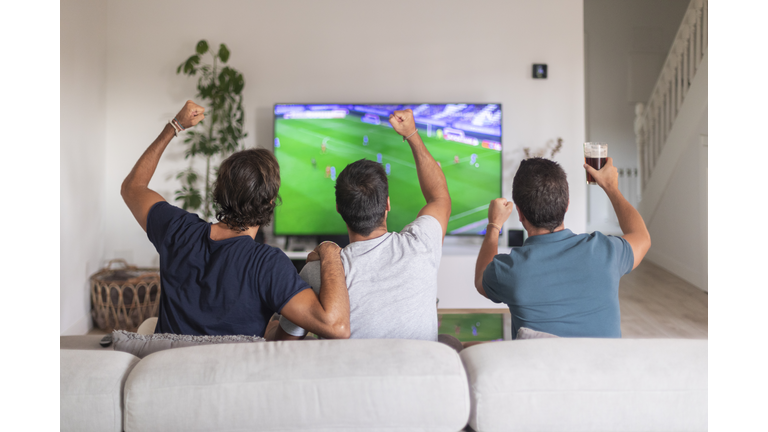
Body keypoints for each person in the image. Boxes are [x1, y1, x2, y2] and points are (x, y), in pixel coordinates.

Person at [121, 100, 350, 339]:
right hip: (230, 373)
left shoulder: (177, 229)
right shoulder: (268, 264)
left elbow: (132, 187)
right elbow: (337, 327)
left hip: (168, 367)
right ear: (270, 202)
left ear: (219, 192)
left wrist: (174, 126)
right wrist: (330, 249)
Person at [274, 109, 453, 343]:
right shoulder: (422, 244)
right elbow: (440, 198)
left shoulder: (318, 271)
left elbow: (283, 346)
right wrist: (412, 134)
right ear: (387, 204)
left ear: (339, 208)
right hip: (418, 375)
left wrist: (273, 326)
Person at [473, 157, 651, 339]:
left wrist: (494, 225)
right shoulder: (606, 251)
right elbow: (642, 237)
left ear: (519, 213)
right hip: (603, 366)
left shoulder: (509, 270)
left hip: (540, 367)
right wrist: (611, 187)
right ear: (566, 205)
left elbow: (480, 279)